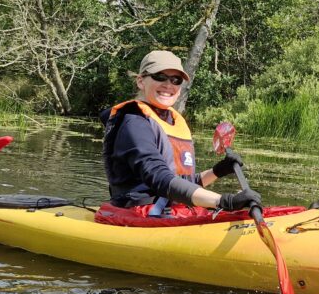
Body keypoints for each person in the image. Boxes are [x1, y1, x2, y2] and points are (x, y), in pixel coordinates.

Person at [102, 49, 260, 216]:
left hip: (171, 210)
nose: (169, 85)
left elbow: (185, 184)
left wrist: (218, 171)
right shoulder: (134, 122)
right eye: (160, 76)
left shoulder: (172, 121)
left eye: (176, 80)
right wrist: (221, 201)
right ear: (141, 81)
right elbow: (160, 178)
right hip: (138, 214)